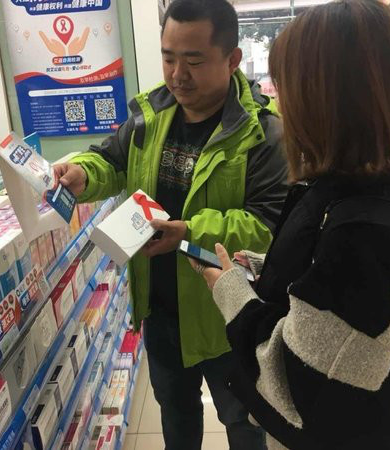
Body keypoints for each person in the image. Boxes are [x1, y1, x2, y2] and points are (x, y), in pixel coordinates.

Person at [191, 1, 390, 449]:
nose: (279, 103)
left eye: (286, 88)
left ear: (326, 100)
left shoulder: (363, 234)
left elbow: (297, 386)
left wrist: (231, 292)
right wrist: (271, 269)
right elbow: (342, 313)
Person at [54, 0, 289, 448]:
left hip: (227, 314)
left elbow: (265, 225)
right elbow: (110, 159)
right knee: (176, 415)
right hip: (160, 309)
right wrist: (83, 173)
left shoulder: (262, 132)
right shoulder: (149, 116)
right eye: (168, 58)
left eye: (194, 61)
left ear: (232, 59)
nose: (177, 75)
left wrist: (190, 232)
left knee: (244, 422)